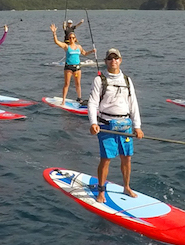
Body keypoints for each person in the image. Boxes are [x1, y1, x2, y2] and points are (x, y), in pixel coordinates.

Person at [87, 48, 142, 204]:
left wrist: (137, 126)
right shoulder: (99, 80)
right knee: (106, 159)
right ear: (106, 61)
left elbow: (133, 104)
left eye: (116, 58)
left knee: (127, 158)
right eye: (110, 59)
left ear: (120, 60)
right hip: (106, 125)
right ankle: (101, 190)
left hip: (125, 125)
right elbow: (92, 103)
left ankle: (126, 186)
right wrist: (93, 123)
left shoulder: (127, 80)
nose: (113, 61)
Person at [50, 23, 94, 104]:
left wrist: (92, 51)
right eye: (70, 38)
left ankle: (79, 98)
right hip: (68, 68)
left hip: (77, 68)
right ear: (68, 39)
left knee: (78, 84)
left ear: (75, 39)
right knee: (67, 84)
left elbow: (84, 53)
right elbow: (56, 42)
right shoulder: (66, 46)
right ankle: (63, 100)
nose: (71, 39)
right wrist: (54, 33)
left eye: (73, 37)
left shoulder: (79, 47)